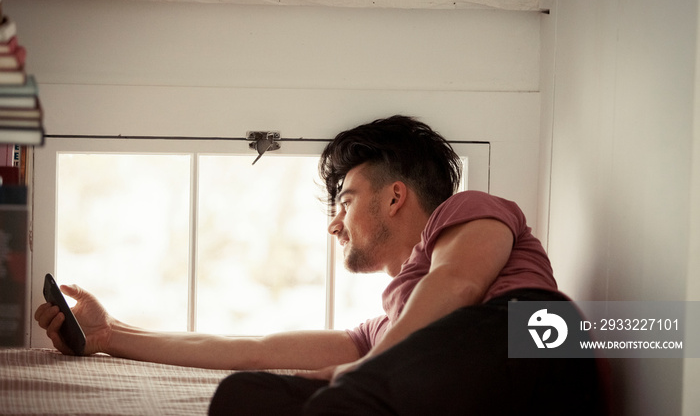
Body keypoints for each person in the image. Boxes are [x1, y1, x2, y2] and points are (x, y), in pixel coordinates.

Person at [35, 115, 607, 415]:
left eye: (346, 200)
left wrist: (358, 372)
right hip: (455, 391)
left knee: (342, 397)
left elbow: (458, 283)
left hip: (535, 343)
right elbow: (248, 348)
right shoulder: (384, 331)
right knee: (245, 396)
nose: (334, 224)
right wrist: (109, 335)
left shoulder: (469, 211)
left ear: (396, 196)